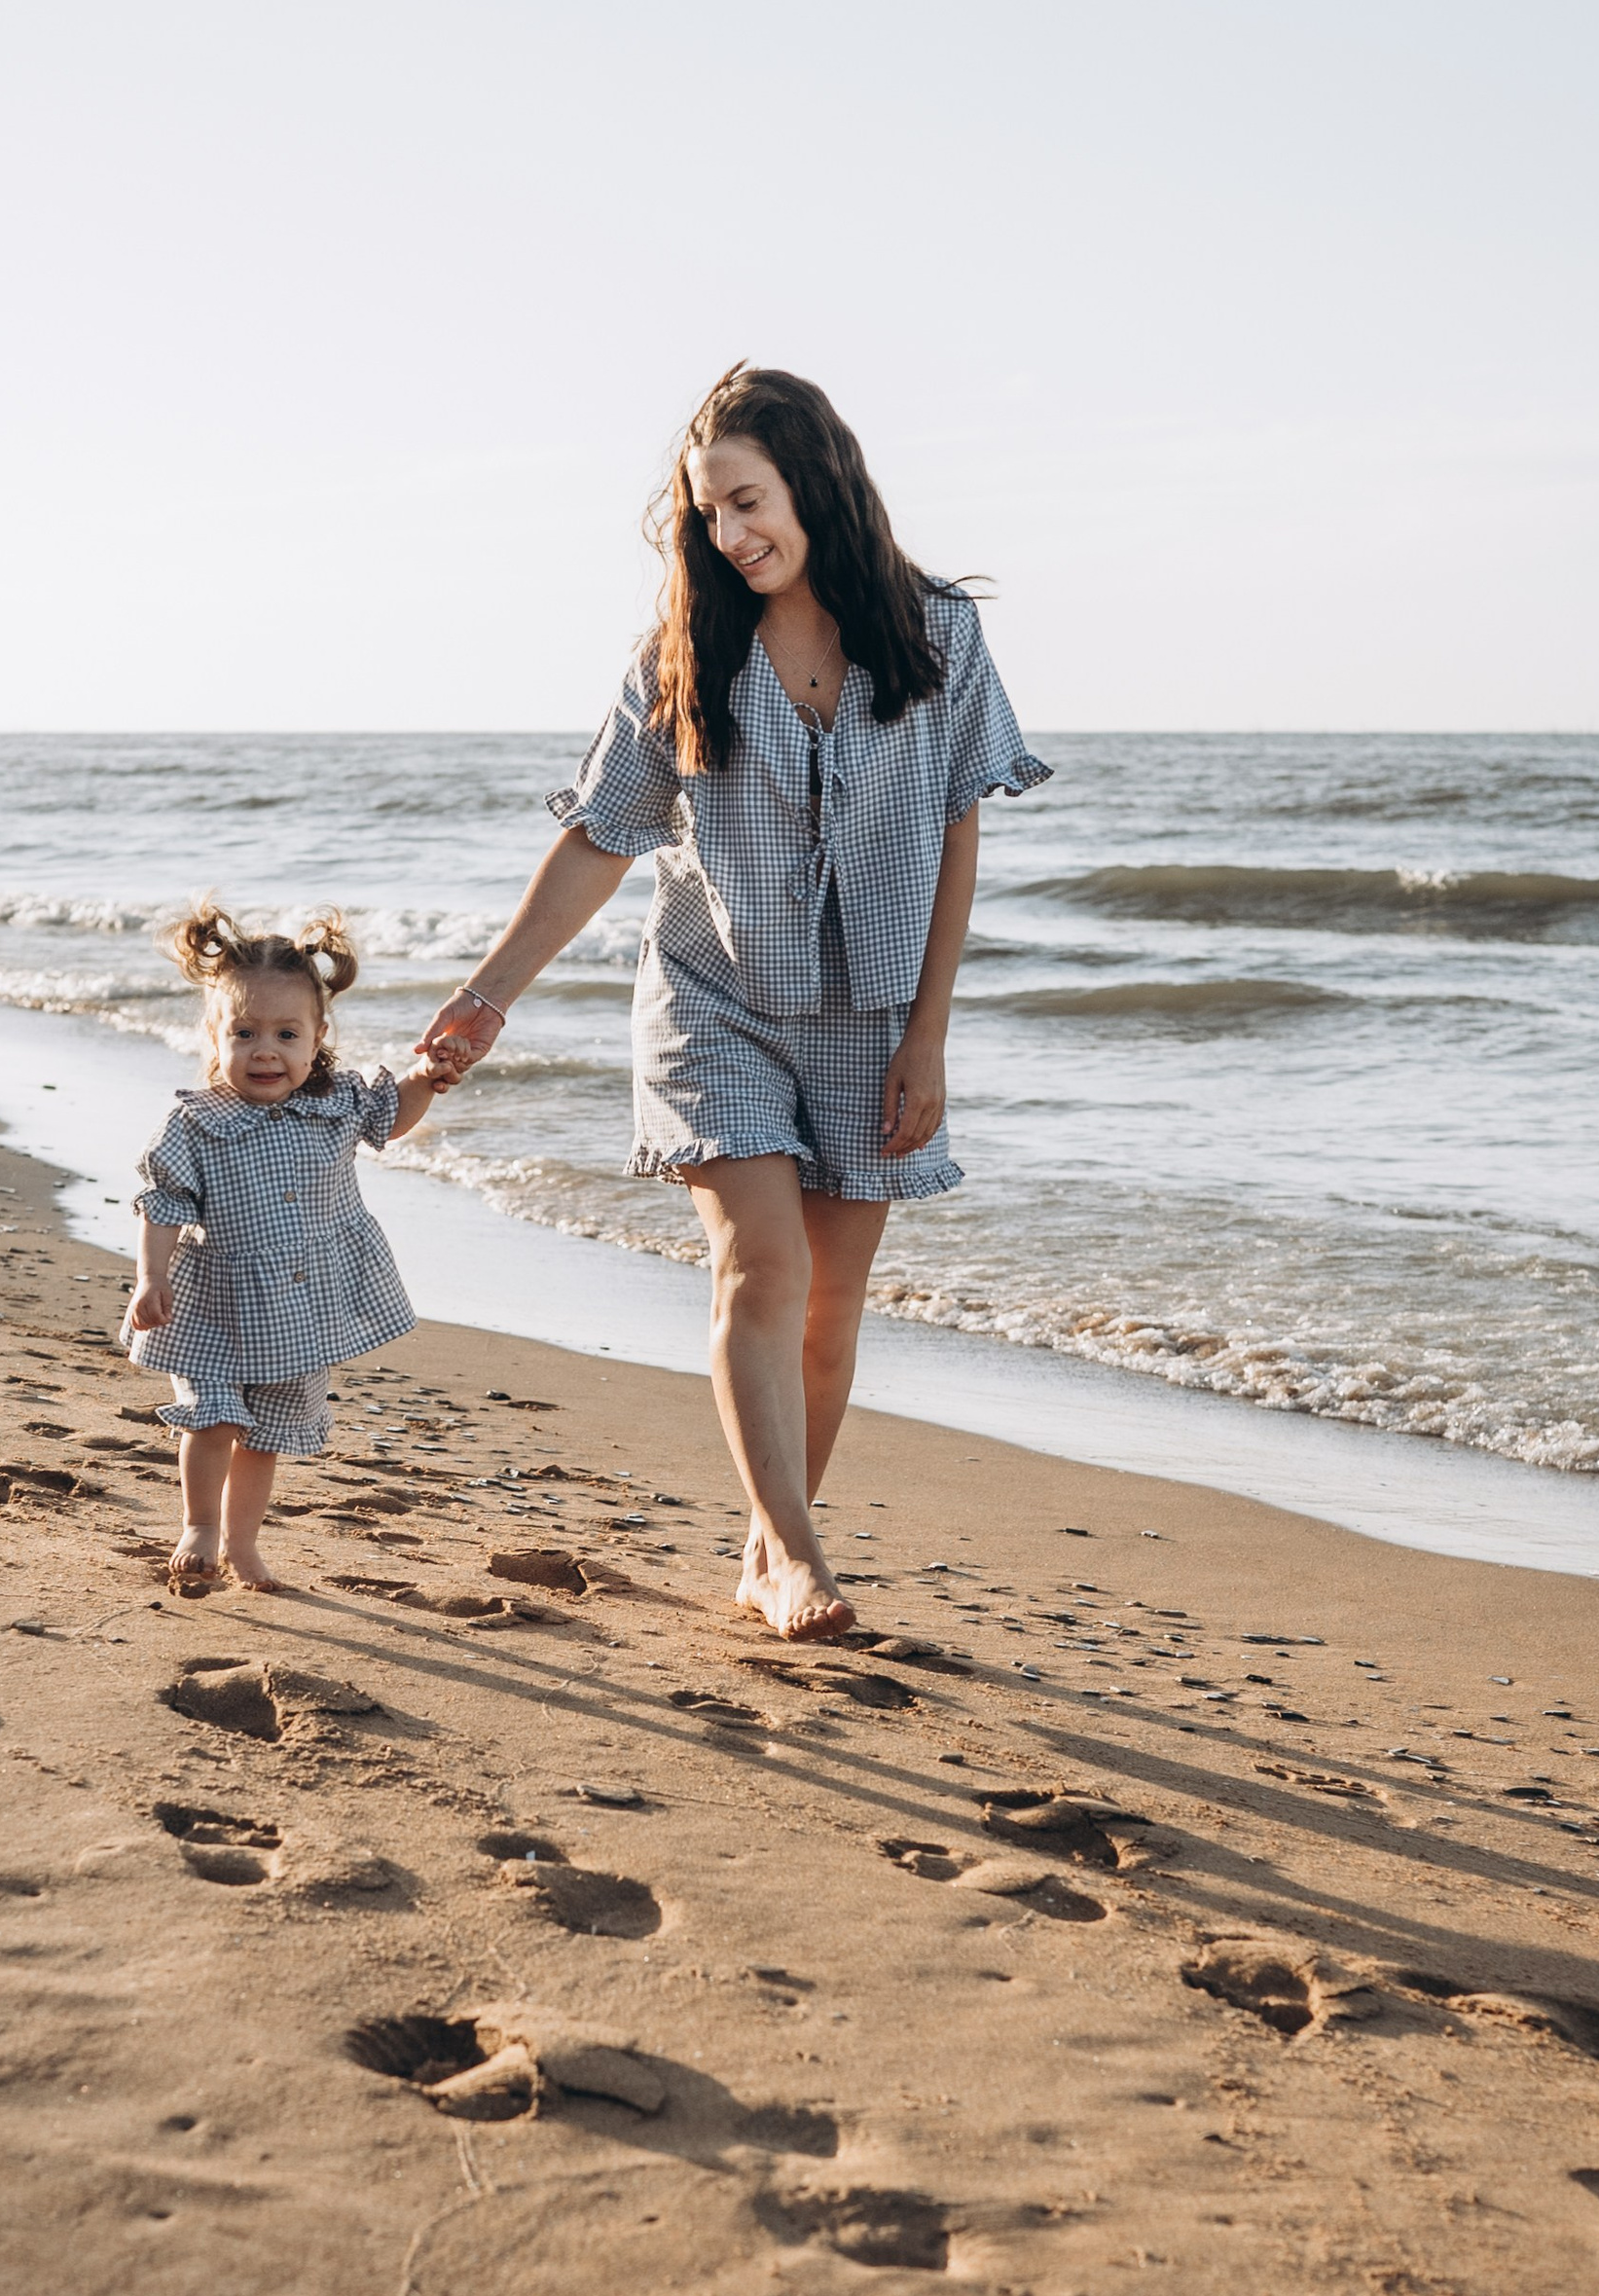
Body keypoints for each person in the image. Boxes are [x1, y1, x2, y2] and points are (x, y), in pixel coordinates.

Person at [420, 364, 1046, 1641]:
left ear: (817, 484)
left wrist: (929, 1036)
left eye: (747, 502)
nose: (728, 535)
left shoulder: (939, 638)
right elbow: (603, 837)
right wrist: (487, 997)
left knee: (829, 1306)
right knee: (761, 1265)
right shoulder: (686, 653)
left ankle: (769, 1548)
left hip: (870, 1019)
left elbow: (958, 836)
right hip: (716, 995)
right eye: (709, 513)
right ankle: (801, 1562)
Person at [124, 903, 446, 1597]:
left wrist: (432, 1077)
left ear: (317, 1036)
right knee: (213, 1415)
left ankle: (242, 1545)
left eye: (285, 1034)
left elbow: (396, 1112)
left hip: (301, 1304)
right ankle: (200, 1526)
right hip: (215, 1304)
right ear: (215, 1034)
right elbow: (163, 1204)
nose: (264, 1050)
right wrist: (150, 1277)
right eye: (244, 1032)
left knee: (266, 1433)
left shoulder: (338, 1102)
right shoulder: (197, 1122)